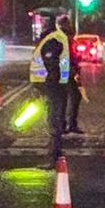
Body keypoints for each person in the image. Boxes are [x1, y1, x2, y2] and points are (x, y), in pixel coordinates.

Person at [33, 14, 73, 161]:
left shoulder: (53, 39)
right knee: (56, 117)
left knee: (54, 118)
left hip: (53, 85)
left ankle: (54, 154)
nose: (40, 24)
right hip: (57, 84)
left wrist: (50, 82)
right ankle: (56, 152)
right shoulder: (56, 37)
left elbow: (52, 64)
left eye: (43, 21)